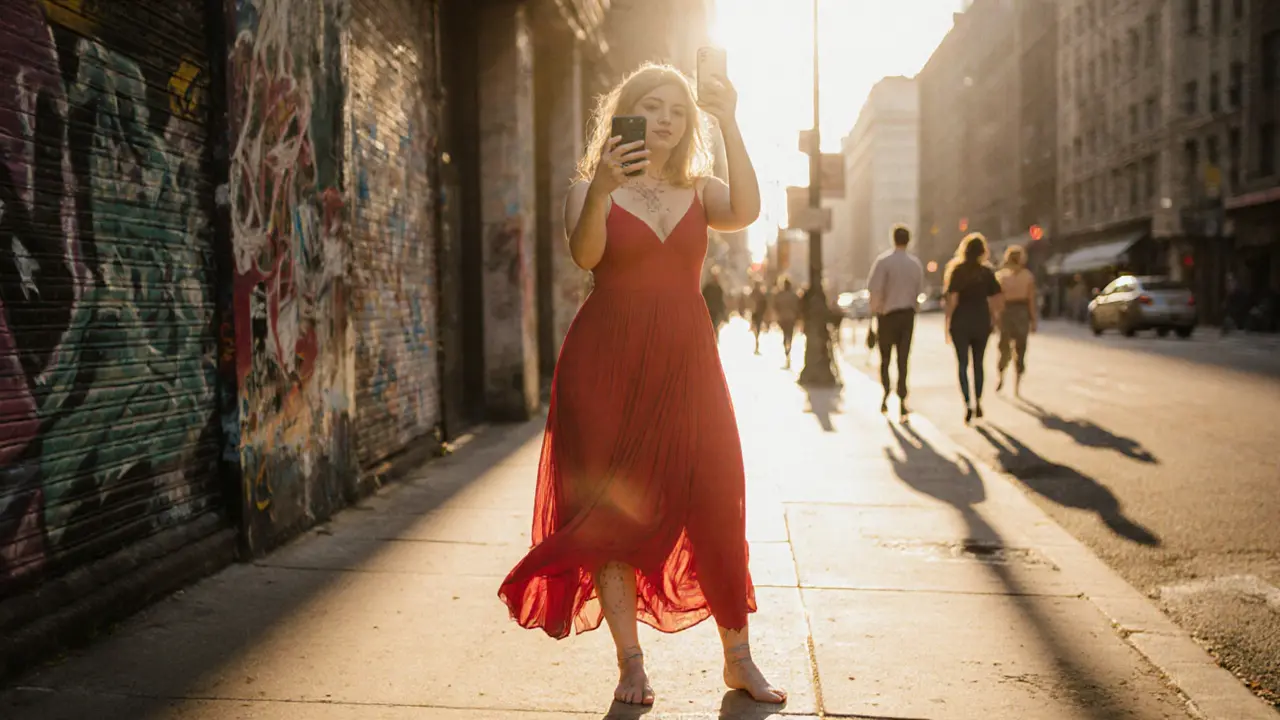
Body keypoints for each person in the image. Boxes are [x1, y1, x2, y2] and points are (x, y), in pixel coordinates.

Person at [497, 62, 785, 707]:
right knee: (609, 514)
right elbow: (587, 256)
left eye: (677, 111)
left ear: (689, 125)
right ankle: (631, 664)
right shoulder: (587, 191)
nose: (664, 119)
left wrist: (730, 119)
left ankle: (739, 658)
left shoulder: (702, 190)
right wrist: (601, 189)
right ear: (624, 114)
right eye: (651, 106)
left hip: (686, 362)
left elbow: (747, 210)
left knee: (716, 495)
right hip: (604, 367)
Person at [943, 232, 1004, 424]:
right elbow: (997, 299)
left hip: (961, 321)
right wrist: (994, 319)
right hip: (981, 320)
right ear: (982, 251)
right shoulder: (986, 272)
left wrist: (947, 323)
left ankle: (967, 403)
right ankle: (978, 401)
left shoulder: (957, 271)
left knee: (962, 364)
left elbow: (952, 300)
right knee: (978, 364)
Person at [866, 224, 925, 420]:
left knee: (885, 359)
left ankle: (885, 393)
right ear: (908, 240)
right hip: (907, 316)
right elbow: (918, 292)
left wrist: (874, 314)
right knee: (903, 358)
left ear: (893, 239)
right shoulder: (915, 264)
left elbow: (875, 291)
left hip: (886, 316)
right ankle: (902, 399)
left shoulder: (883, 262)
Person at [995, 245, 1037, 395]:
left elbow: (998, 300)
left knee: (1004, 348)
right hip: (1021, 312)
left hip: (1007, 312)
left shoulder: (1001, 276)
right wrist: (1033, 320)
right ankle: (1017, 386)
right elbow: (1031, 300)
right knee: (1020, 348)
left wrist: (996, 317)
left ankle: (1001, 376)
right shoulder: (1028, 277)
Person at [773, 277, 801, 367]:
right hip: (791, 318)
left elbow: (775, 306)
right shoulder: (794, 296)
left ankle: (786, 351)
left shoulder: (780, 295)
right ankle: (788, 350)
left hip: (782, 318)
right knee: (790, 335)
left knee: (785, 335)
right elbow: (798, 307)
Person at [702, 266, 728, 342]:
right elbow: (703, 298)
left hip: (715, 311)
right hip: (708, 310)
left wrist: (723, 311)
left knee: (715, 325)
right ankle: (711, 340)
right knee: (710, 326)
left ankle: (714, 340)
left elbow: (721, 301)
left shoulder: (718, 288)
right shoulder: (708, 287)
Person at [749, 281, 769, 354]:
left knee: (756, 330)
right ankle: (756, 345)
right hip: (757, 314)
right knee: (756, 329)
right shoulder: (759, 294)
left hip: (756, 314)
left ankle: (756, 345)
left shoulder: (754, 294)